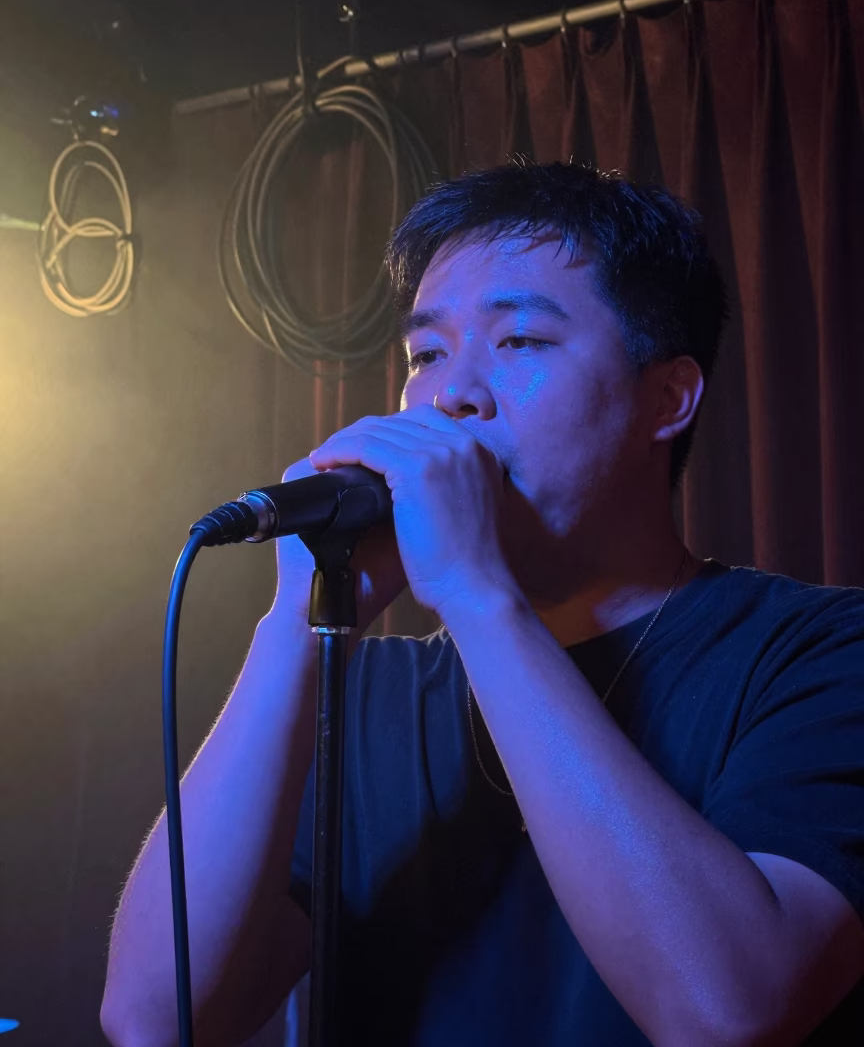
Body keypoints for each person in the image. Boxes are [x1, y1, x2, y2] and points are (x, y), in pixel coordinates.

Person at [101, 162, 864, 1047]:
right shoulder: (367, 691)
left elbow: (727, 1012)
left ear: (668, 397)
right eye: (426, 355)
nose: (451, 394)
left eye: (521, 343)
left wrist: (473, 591)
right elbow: (154, 1018)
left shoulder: (819, 652)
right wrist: (298, 626)